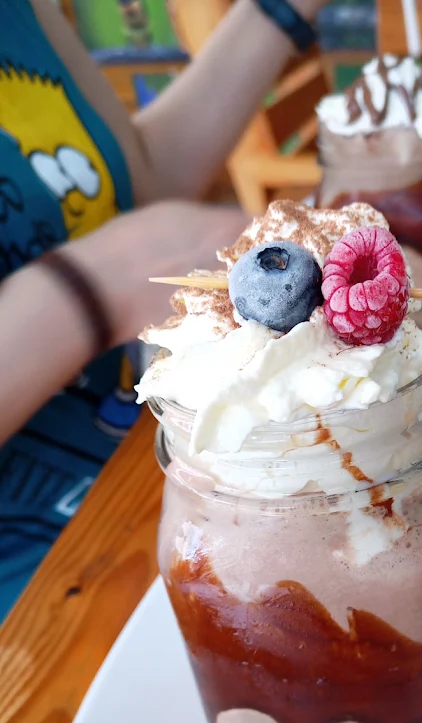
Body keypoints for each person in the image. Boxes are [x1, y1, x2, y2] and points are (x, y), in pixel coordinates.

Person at [0, 0, 326, 617]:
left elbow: (136, 179)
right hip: (44, 596)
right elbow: (126, 249)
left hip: (165, 455)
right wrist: (99, 281)